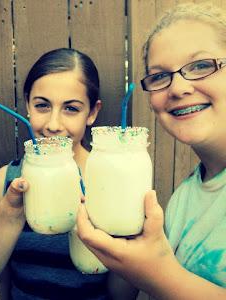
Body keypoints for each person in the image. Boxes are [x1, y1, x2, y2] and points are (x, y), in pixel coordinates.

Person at [77, 2, 226, 299]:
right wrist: (125, 245)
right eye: (159, 76)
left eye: (201, 65)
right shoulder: (183, 198)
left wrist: (159, 274)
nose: (178, 88)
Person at [0, 48, 111, 299]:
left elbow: (122, 291)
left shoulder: (109, 180)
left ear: (92, 112)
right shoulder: (2, 183)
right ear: (28, 105)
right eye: (42, 106)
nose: (53, 124)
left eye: (71, 109)